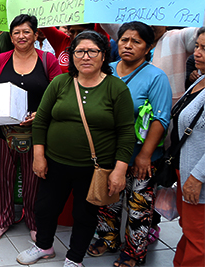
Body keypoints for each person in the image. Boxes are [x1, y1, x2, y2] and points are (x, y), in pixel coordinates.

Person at [16, 31, 134, 267]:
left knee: (84, 214)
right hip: (54, 162)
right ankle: (44, 246)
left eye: (92, 51)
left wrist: (119, 170)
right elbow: (41, 120)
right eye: (79, 51)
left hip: (93, 168)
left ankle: (74, 258)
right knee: (45, 208)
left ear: (103, 56)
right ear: (72, 56)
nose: (85, 56)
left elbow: (126, 132)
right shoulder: (61, 82)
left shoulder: (116, 89)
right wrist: (38, 155)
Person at [86, 21, 171, 266]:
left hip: (140, 157)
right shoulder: (106, 70)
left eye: (136, 41)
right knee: (107, 200)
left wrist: (144, 155)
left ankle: (134, 252)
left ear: (148, 47)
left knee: (138, 208)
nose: (128, 45)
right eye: (124, 40)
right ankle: (107, 238)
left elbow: (160, 119)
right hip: (107, 154)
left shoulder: (156, 77)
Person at [0, 14, 62, 242]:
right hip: (3, 133)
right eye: (16, 32)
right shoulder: (1, 60)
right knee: (2, 177)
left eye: (26, 31)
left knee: (34, 180)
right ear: (11, 37)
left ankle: (34, 221)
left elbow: (60, 94)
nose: (21, 36)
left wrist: (39, 115)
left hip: (37, 134)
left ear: (35, 34)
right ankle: (1, 220)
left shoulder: (47, 60)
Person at [172, 26, 205, 267]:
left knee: (198, 239)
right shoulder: (200, 78)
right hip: (185, 171)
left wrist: (197, 176)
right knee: (189, 230)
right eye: (197, 46)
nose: (197, 53)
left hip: (198, 177)